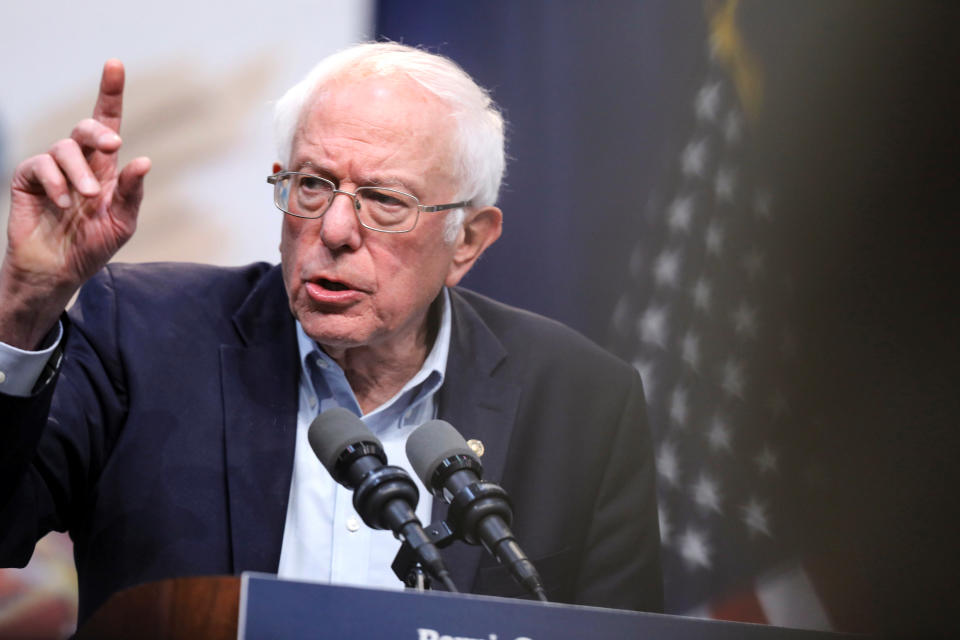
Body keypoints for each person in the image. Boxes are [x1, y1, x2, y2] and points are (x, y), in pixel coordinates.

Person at [0, 43, 662, 624]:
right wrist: (23, 309)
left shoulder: (582, 403)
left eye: (385, 201)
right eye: (313, 185)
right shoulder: (141, 333)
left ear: (469, 242)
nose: (337, 230)